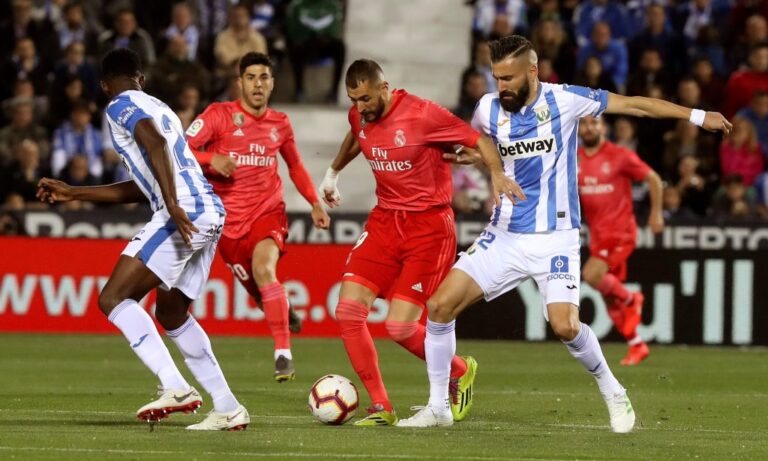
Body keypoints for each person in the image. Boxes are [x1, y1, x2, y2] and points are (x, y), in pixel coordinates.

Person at [399, 35, 732, 431]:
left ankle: (613, 391)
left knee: (564, 325)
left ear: (533, 72)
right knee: (439, 307)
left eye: (508, 78)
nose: (500, 86)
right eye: (496, 78)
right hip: (504, 234)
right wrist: (480, 162)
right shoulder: (486, 109)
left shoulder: (565, 100)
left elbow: (636, 105)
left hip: (556, 236)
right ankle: (439, 406)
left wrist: (697, 116)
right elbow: (476, 148)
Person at [35, 48, 249, 431]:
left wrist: (171, 204)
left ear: (104, 86)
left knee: (113, 298)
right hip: (209, 213)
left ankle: (175, 387)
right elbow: (144, 182)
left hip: (181, 211)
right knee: (171, 313)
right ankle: (229, 407)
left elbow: (155, 145)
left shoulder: (119, 105)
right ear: (142, 79)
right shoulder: (161, 107)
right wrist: (75, 193)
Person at [318, 59, 503, 426]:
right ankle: (381, 406)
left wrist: (493, 172)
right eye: (354, 100)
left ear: (385, 87)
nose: (360, 107)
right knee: (348, 311)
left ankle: (459, 369)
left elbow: (479, 140)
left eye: (367, 98)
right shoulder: (361, 116)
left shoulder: (423, 114)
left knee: (399, 327)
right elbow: (357, 133)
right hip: (386, 221)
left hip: (429, 227)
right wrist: (332, 172)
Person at [186, 52, 330, 382]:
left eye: (264, 77)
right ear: (239, 82)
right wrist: (211, 159)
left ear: (272, 83)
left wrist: (315, 202)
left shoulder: (279, 123)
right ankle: (284, 309)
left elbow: (294, 166)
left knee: (265, 269)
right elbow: (181, 149)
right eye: (251, 77)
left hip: (268, 213)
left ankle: (283, 354)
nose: (258, 84)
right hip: (227, 224)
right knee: (261, 293)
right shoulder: (218, 115)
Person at [578, 115, 664, 366]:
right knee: (608, 296)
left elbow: (654, 179)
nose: (589, 127)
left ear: (603, 127)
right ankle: (636, 344)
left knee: (592, 275)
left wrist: (656, 212)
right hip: (598, 235)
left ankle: (631, 298)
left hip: (620, 232)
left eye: (594, 122)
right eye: (584, 123)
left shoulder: (619, 155)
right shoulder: (576, 159)